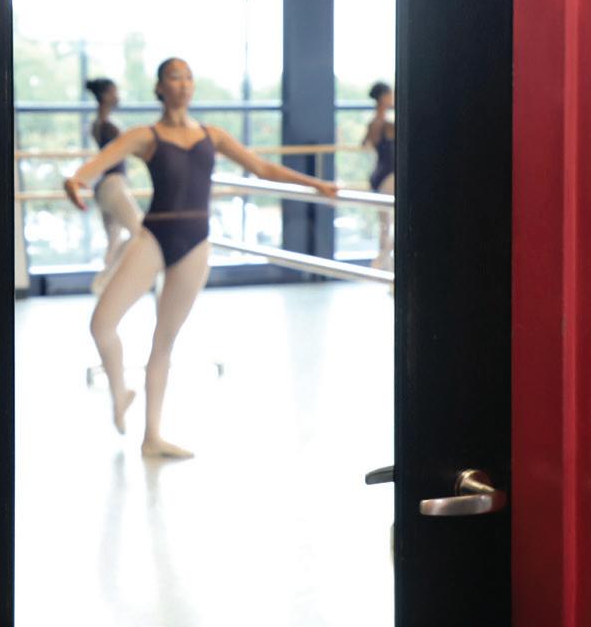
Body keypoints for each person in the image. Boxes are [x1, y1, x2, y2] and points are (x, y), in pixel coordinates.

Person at [63, 58, 338, 459]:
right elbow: (96, 166)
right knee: (101, 322)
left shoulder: (213, 135)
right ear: (160, 87)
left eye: (189, 77)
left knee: (163, 341)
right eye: (175, 77)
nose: (184, 83)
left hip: (194, 243)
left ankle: (152, 436)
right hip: (154, 236)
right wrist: (75, 181)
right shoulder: (145, 135)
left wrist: (317, 184)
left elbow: (262, 168)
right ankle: (120, 393)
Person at [85, 77, 143, 296]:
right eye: (114, 92)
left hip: (105, 187)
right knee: (139, 232)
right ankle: (105, 281)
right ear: (105, 95)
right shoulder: (108, 126)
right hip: (113, 185)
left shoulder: (98, 124)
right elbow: (130, 148)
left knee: (114, 241)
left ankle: (105, 288)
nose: (118, 96)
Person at [364, 80, 396, 270]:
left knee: (384, 225)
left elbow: (366, 144)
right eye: (390, 94)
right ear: (383, 98)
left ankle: (384, 265)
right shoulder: (386, 124)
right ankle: (382, 261)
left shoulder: (373, 123)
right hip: (389, 177)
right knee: (393, 223)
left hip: (378, 177)